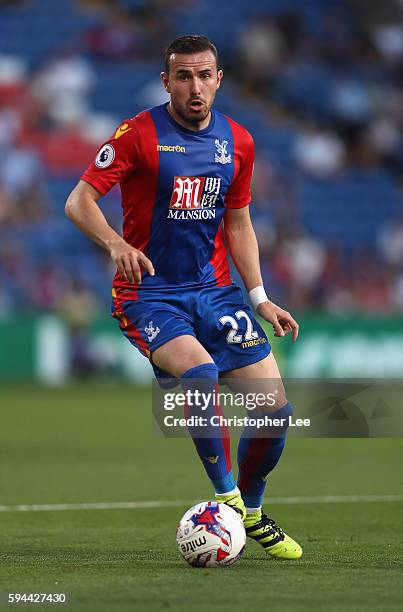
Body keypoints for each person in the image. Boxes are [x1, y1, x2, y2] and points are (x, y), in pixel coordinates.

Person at [65, 35, 302, 560]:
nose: (195, 87)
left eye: (204, 75)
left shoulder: (238, 141)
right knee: (198, 374)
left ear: (219, 79)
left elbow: (238, 222)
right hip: (149, 295)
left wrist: (260, 296)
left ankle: (253, 513)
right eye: (183, 76)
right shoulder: (136, 135)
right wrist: (115, 242)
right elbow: (78, 200)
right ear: (166, 81)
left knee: (276, 410)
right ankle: (227, 499)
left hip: (216, 292)